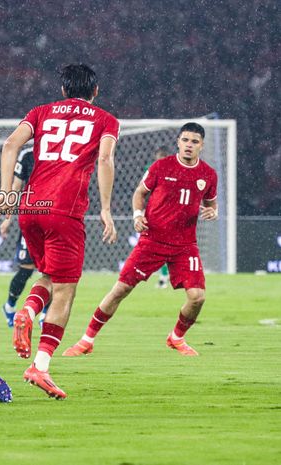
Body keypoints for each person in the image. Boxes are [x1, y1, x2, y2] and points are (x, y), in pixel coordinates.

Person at [0, 64, 119, 399]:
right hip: (65, 211)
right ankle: (41, 365)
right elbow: (105, 161)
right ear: (96, 91)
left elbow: (9, 145)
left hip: (30, 210)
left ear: (63, 90)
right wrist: (106, 209)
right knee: (66, 291)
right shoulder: (105, 120)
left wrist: (6, 193)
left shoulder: (40, 112)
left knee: (48, 277)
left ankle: (28, 310)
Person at [63, 122, 218, 357]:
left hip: (185, 245)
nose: (189, 145)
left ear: (201, 146)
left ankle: (176, 337)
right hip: (153, 240)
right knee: (120, 290)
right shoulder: (160, 167)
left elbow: (210, 204)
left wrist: (213, 211)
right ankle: (86, 340)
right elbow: (139, 193)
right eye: (185, 140)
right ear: (178, 142)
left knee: (198, 298)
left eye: (194, 142)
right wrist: (137, 215)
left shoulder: (208, 174)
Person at [0, 147, 46, 327]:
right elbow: (16, 188)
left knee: (50, 270)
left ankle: (45, 314)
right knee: (26, 268)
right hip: (32, 218)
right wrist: (8, 219)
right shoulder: (27, 155)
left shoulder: (60, 152)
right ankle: (9, 306)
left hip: (54, 218)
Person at [153, 146, 170, 289]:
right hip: (156, 215)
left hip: (171, 217)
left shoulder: (174, 172)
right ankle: (164, 275)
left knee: (166, 248)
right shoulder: (152, 171)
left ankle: (165, 276)